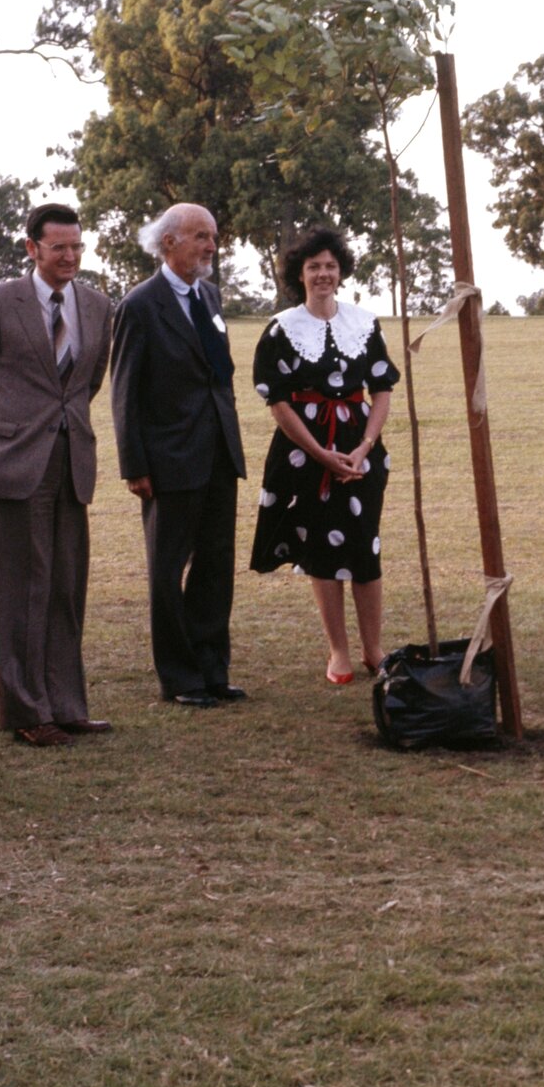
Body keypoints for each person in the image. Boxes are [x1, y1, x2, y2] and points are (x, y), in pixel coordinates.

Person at [0, 203, 113, 746]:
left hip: (72, 461)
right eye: (57, 247)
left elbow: (87, 384)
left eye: (76, 246)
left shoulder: (97, 306)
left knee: (66, 585)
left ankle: (65, 706)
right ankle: (26, 711)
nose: (69, 256)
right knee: (24, 588)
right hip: (15, 464)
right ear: (32, 248)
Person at [111, 203, 246, 709]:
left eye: (213, 236)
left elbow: (220, 375)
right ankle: (180, 678)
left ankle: (212, 670)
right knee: (167, 572)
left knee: (216, 564)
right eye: (201, 236)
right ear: (169, 242)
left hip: (218, 454)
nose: (211, 245)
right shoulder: (139, 305)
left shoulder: (209, 295)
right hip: (168, 460)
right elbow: (124, 391)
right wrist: (135, 466)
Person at [250, 226, 400, 685]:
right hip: (304, 453)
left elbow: (382, 388)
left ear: (341, 272)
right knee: (321, 547)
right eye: (313, 266)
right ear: (299, 274)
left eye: (330, 266)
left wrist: (364, 447)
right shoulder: (282, 328)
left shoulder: (364, 323)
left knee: (365, 543)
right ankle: (338, 652)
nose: (323, 274)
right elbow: (278, 401)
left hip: (360, 449)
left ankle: (374, 649)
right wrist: (319, 453)